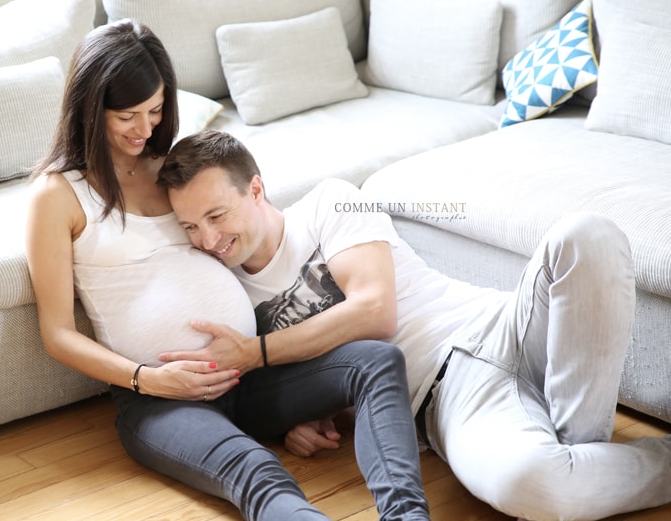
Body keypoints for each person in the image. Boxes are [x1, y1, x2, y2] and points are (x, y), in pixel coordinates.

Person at [25, 19, 431, 521]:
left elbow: (243, 229)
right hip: (164, 401)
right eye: (127, 115)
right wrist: (149, 381)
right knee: (258, 473)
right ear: (90, 108)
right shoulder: (56, 195)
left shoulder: (172, 170)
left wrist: (303, 403)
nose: (145, 129)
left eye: (155, 110)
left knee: (376, 361)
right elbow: (58, 334)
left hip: (251, 375)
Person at [157, 130, 671, 521]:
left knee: (587, 235)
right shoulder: (230, 297)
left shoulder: (331, 202)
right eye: (190, 227)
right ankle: (582, 462)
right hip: (448, 400)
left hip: (502, 322)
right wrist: (312, 409)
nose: (207, 239)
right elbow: (320, 378)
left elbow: (375, 312)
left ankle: (580, 454)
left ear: (255, 190)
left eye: (217, 215)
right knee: (533, 486)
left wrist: (255, 352)